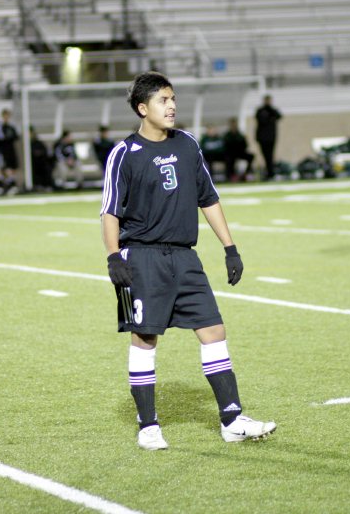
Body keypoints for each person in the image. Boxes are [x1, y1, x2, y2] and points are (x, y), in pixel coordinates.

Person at [100, 71, 276, 450]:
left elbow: (208, 198)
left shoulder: (187, 145)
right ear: (142, 108)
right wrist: (113, 256)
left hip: (185, 257)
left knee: (213, 330)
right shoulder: (123, 154)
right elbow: (110, 211)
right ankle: (148, 426)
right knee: (145, 337)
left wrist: (230, 248)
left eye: (173, 98)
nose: (172, 106)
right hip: (142, 256)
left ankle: (231, 419)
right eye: (164, 100)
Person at [254, 94, 282, 180]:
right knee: (265, 155)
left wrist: (270, 111)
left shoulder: (273, 110)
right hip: (262, 138)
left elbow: (279, 116)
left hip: (271, 137)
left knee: (270, 155)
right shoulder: (260, 110)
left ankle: (271, 173)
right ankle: (269, 173)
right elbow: (261, 119)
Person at [223, 117, 254, 182]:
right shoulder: (227, 135)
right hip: (230, 154)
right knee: (229, 159)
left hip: (240, 152)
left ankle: (246, 174)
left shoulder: (240, 135)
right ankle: (231, 176)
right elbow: (225, 146)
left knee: (251, 156)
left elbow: (245, 145)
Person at [29, 125, 54, 192]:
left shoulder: (38, 142)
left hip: (42, 163)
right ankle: (37, 185)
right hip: (33, 164)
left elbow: (45, 151)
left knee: (46, 167)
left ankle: (47, 185)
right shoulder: (26, 144)